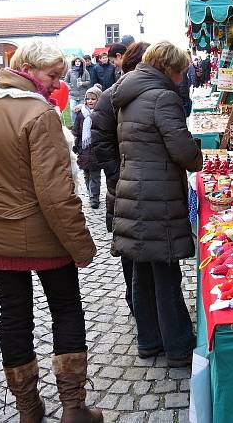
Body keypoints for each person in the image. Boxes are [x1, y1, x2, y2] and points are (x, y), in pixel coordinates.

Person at [0, 40, 102, 423]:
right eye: (52, 75)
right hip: (44, 236)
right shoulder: (41, 115)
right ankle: (73, 408)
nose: (56, 83)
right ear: (26, 69)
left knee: (14, 316)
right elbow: (56, 193)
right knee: (66, 309)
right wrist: (82, 245)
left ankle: (28, 410)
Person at [110, 41, 202, 367]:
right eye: (178, 72)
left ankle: (149, 339)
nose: (180, 79)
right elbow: (182, 150)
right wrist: (197, 154)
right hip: (156, 195)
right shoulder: (162, 97)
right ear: (166, 68)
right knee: (165, 271)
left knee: (142, 269)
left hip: (132, 191)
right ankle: (178, 344)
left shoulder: (128, 95)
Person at [91, 41, 149, 316]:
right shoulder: (110, 98)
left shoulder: (150, 95)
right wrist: (117, 176)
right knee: (129, 251)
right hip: (121, 187)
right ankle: (136, 304)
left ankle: (147, 307)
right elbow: (101, 143)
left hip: (142, 186)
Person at [72, 85, 103, 209]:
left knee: (95, 176)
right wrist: (76, 147)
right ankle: (90, 192)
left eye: (93, 99)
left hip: (96, 150)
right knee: (86, 174)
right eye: (88, 99)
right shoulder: (81, 115)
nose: (89, 101)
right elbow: (76, 131)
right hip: (84, 150)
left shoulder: (101, 115)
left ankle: (94, 198)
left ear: (99, 100)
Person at [64, 56, 91, 122]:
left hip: (82, 95)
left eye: (79, 61)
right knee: (73, 110)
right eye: (76, 61)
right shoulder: (70, 72)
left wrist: (82, 83)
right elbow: (66, 81)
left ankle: (81, 126)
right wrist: (68, 86)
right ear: (74, 62)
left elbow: (88, 81)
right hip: (73, 95)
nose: (77, 63)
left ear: (81, 63)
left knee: (82, 111)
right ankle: (74, 125)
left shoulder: (85, 71)